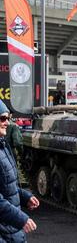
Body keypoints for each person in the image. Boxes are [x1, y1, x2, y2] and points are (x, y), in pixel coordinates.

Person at [0, 100, 39, 242]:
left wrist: (23, 196)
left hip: (11, 229)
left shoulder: (2, 146)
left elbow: (7, 185)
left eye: (8, 118)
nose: (8, 123)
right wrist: (20, 219)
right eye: (3, 118)